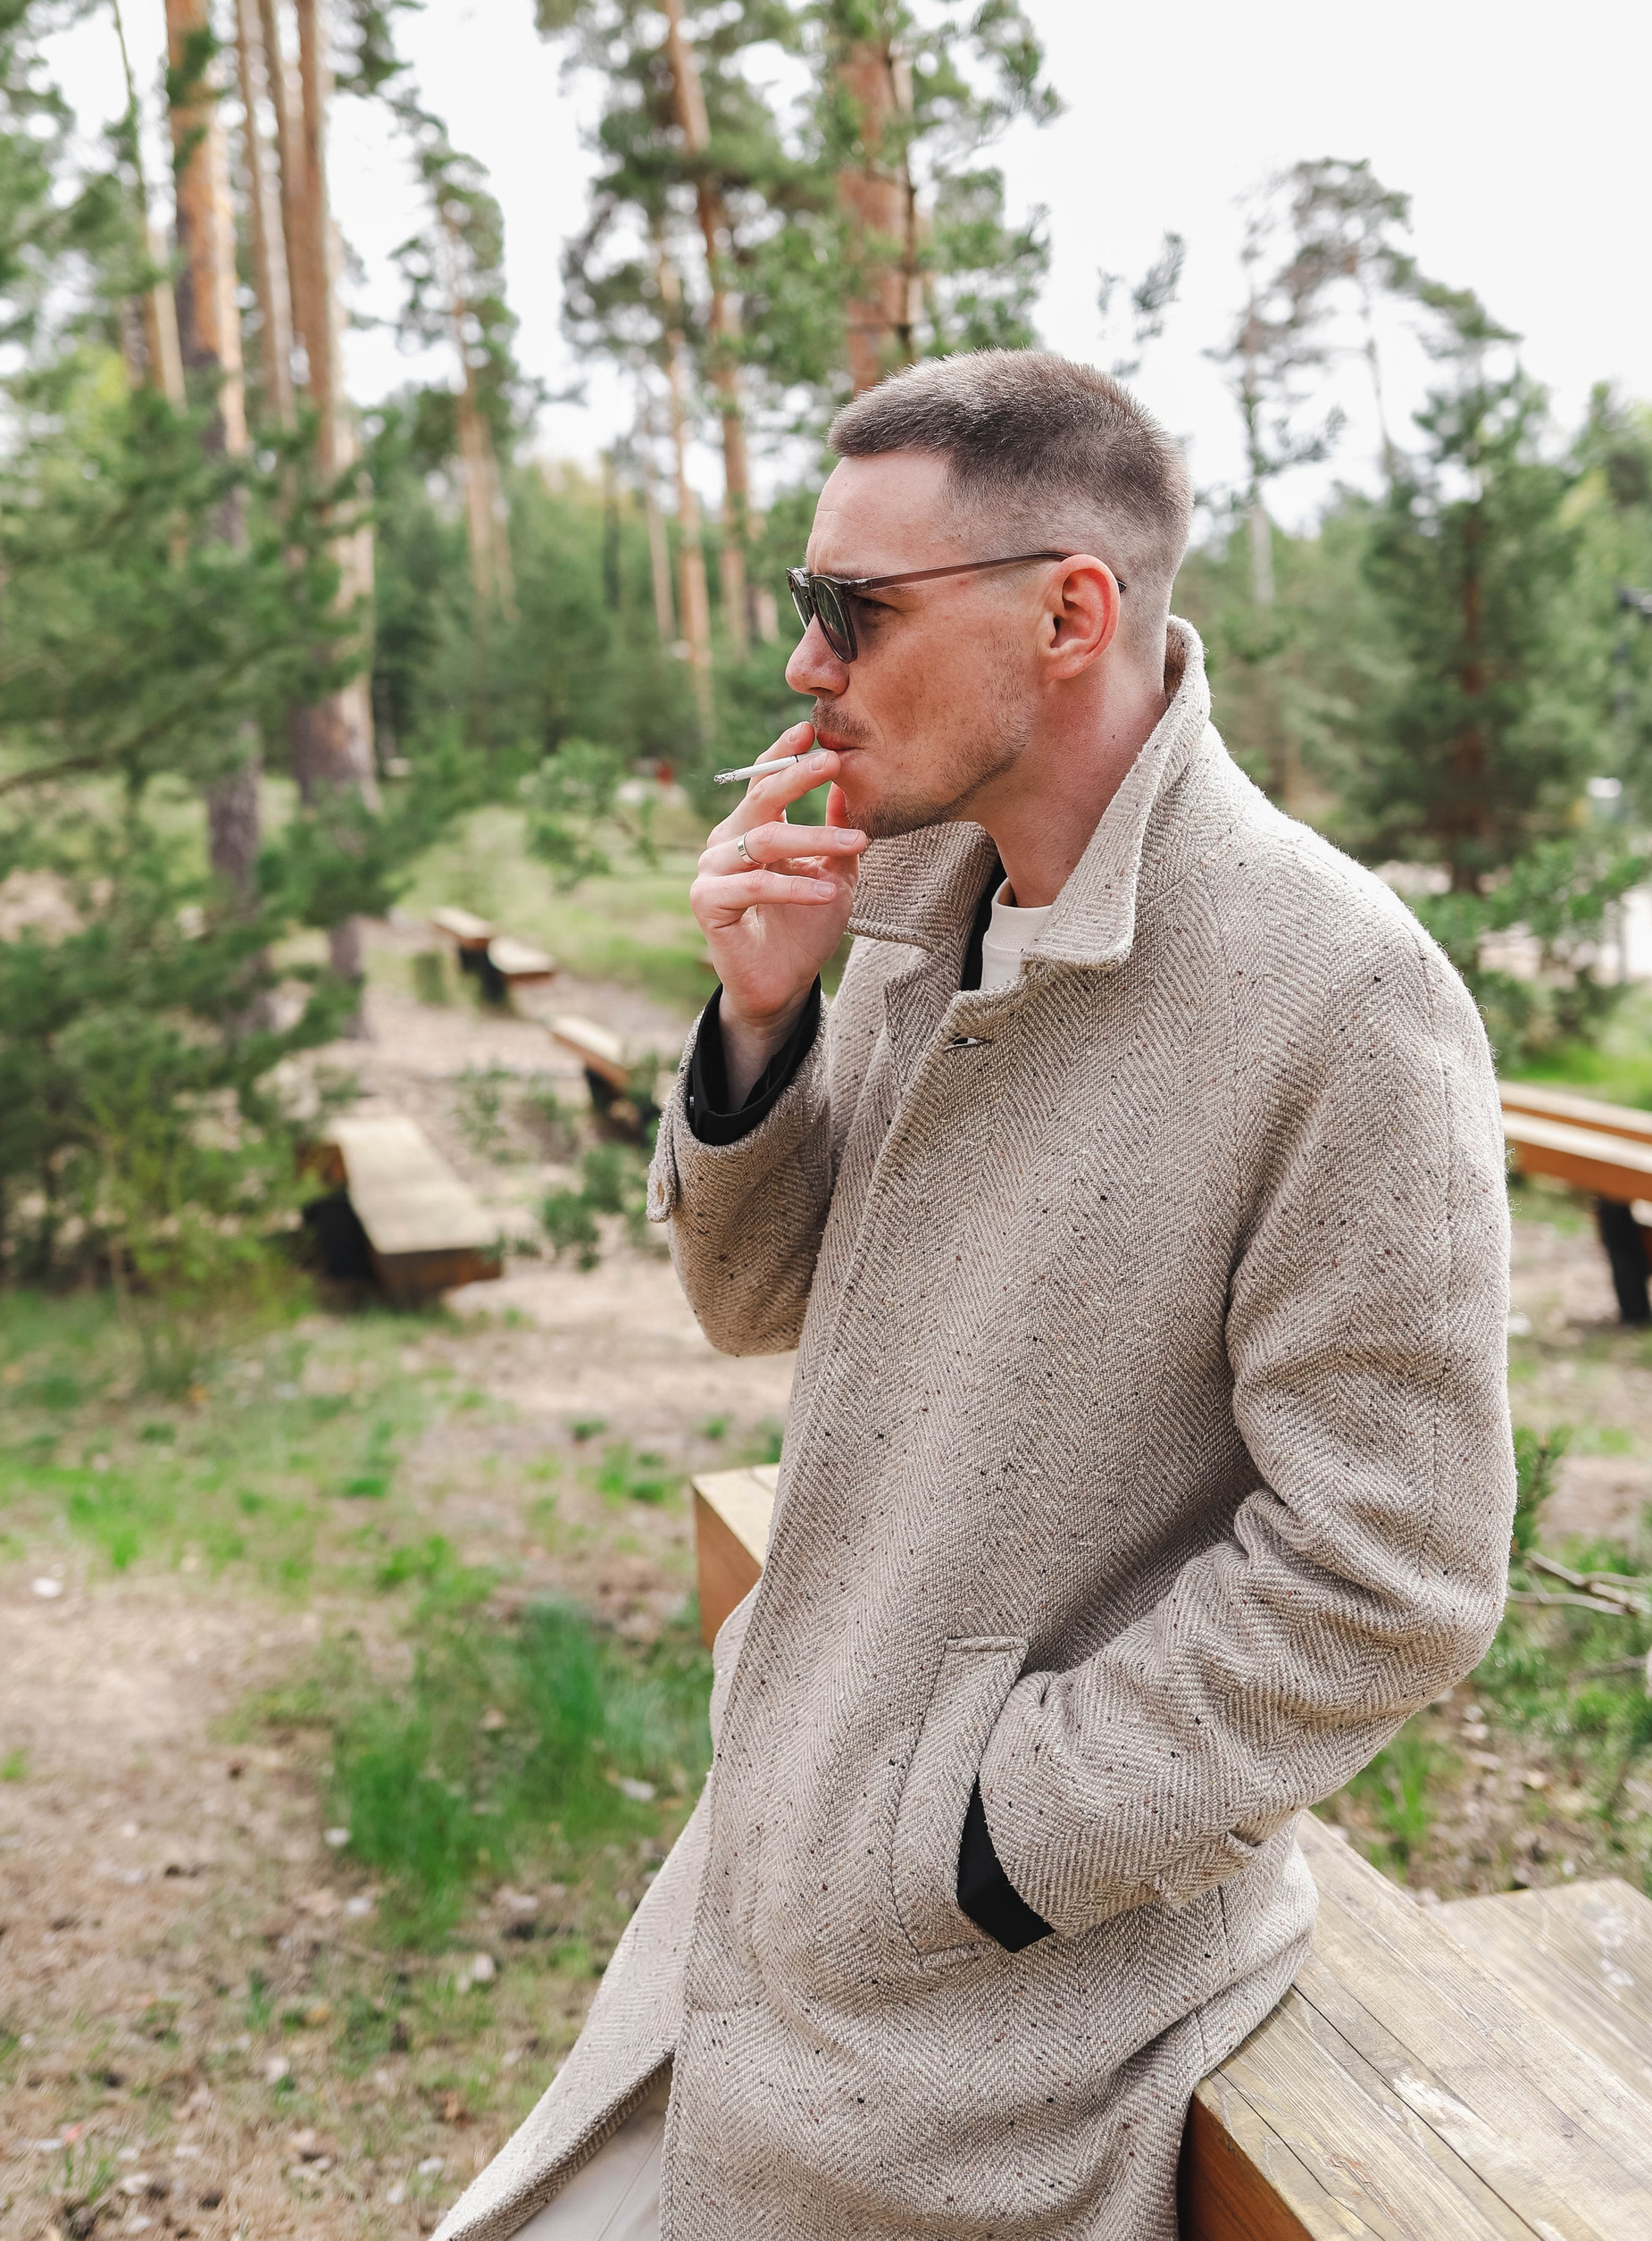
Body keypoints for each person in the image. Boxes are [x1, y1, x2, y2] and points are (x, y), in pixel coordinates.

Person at [437, 349, 1514, 2241]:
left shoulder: (1342, 994)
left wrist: (980, 1840)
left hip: (1004, 2020)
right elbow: (757, 1298)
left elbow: (1391, 1570)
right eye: (804, 602)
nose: (804, 662)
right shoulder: (916, 901)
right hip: (758, 1891)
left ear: (1070, 613)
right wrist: (760, 1014)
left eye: (852, 607)